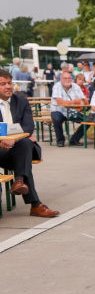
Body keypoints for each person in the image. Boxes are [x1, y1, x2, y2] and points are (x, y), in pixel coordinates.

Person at [0, 69, 60, 217]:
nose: (8, 87)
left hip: (18, 148)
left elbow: (28, 126)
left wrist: (14, 139)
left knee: (26, 144)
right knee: (24, 159)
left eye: (9, 83)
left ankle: (19, 181)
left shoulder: (21, 101)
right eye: (3, 84)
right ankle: (35, 204)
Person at [50, 71, 88, 147]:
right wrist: (74, 101)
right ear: (60, 79)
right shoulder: (57, 86)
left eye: (69, 78)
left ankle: (74, 139)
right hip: (58, 110)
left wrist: (84, 103)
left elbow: (84, 100)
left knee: (88, 120)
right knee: (57, 119)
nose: (67, 80)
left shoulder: (76, 86)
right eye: (65, 78)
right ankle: (60, 140)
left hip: (72, 111)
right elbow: (60, 102)